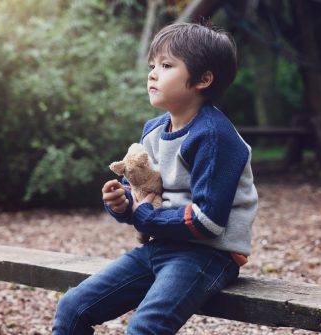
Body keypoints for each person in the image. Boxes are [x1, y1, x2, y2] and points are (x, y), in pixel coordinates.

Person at [52, 22, 258, 335]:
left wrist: (142, 215)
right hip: (161, 245)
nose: (152, 74)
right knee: (72, 308)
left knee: (146, 327)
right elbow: (143, 190)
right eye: (152, 65)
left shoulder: (214, 137)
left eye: (166, 65)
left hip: (208, 255)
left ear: (203, 79)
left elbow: (208, 222)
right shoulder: (154, 130)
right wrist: (121, 204)